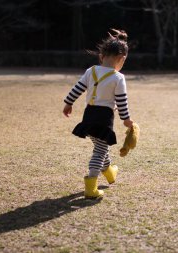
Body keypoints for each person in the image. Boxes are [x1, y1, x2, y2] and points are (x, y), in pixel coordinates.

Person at [63, 28, 134, 199]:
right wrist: (126, 119)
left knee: (101, 146)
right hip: (104, 118)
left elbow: (77, 89)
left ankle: (110, 173)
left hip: (89, 115)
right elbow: (121, 101)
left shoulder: (91, 71)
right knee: (100, 151)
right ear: (122, 59)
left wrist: (68, 103)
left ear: (102, 56)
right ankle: (91, 186)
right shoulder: (118, 77)